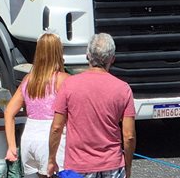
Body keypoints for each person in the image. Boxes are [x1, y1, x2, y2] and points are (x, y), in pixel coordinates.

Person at [47, 33, 135, 178]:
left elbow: (57, 127)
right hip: (112, 165)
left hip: (78, 166)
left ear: (88, 55)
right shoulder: (123, 88)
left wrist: (51, 159)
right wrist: (128, 165)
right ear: (112, 59)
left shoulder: (69, 85)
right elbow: (129, 135)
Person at [4, 32, 68, 178]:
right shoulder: (63, 79)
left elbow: (9, 112)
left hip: (29, 137)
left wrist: (12, 146)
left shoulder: (28, 79)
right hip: (51, 138)